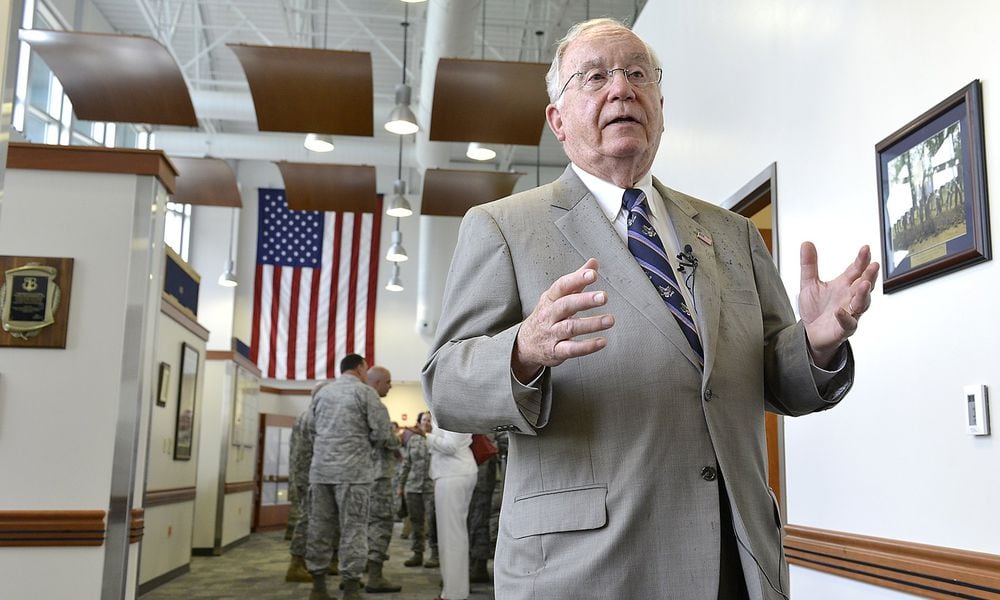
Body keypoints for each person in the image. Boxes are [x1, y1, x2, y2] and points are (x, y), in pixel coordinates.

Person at [421, 17, 879, 600]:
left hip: (738, 558)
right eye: (595, 77)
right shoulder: (503, 227)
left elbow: (773, 381)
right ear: (557, 121)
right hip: (589, 565)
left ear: (660, 105)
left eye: (638, 74)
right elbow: (446, 386)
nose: (621, 88)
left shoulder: (731, 232)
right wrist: (523, 351)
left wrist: (815, 344)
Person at [305, 354, 393, 600]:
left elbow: (311, 430)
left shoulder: (323, 393)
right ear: (360, 368)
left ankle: (318, 587)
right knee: (353, 530)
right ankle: (351, 589)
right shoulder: (366, 394)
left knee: (319, 527)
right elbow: (382, 434)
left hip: (320, 473)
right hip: (353, 475)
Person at [426, 418, 477, 600]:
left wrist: (426, 436)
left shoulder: (452, 409)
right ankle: (452, 590)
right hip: (450, 473)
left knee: (452, 537)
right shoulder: (445, 408)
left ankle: (455, 593)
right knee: (450, 537)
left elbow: (451, 445)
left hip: (454, 473)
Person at [363, 365, 403, 594]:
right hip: (379, 476)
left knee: (364, 525)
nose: (390, 386)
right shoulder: (375, 405)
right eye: (388, 382)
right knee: (381, 523)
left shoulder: (356, 401)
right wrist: (396, 440)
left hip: (362, 475)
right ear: (377, 383)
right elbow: (387, 439)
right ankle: (375, 577)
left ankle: (362, 570)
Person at [399, 411, 437, 568]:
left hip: (431, 487)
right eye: (424, 420)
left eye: (429, 420)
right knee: (416, 521)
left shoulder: (436, 440)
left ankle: (435, 553)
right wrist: (401, 486)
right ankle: (417, 553)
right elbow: (406, 463)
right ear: (419, 422)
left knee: (433, 522)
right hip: (413, 486)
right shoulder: (413, 440)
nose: (426, 423)